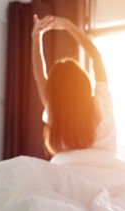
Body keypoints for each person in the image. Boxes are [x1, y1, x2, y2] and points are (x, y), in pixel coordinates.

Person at [31, 15, 116, 156]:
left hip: (68, 175)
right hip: (107, 175)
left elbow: (39, 78)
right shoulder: (101, 105)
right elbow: (96, 57)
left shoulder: (55, 113)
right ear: (84, 83)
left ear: (53, 91)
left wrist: (36, 36)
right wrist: (69, 26)